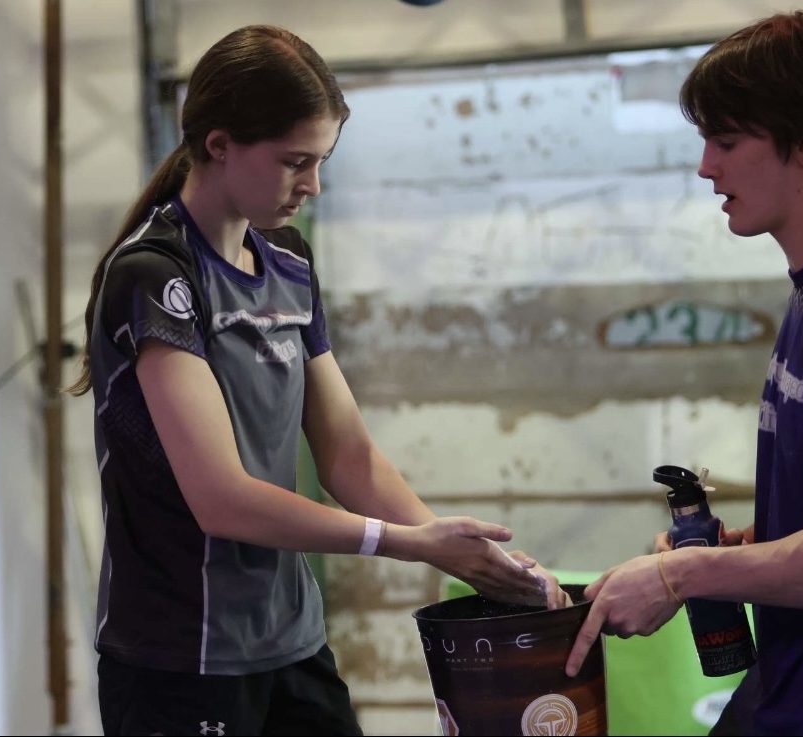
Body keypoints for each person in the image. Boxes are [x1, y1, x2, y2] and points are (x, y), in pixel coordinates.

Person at [67, 24, 566, 737]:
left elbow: (348, 455)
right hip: (182, 659)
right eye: (295, 161)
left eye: (322, 160)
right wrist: (410, 542)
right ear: (218, 145)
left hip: (292, 643)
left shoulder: (289, 262)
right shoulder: (155, 276)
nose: (313, 185)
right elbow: (224, 501)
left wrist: (472, 555)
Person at [565, 11, 803, 736]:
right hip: (793, 682)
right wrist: (742, 547)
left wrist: (683, 575)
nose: (705, 167)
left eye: (726, 140)